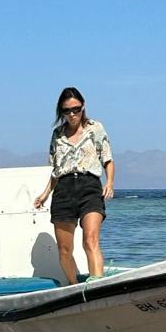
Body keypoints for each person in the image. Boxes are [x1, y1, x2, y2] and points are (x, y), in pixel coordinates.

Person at [34, 87, 115, 285]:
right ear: (61, 112)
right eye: (66, 111)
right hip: (63, 189)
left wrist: (110, 183)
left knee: (90, 240)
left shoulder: (95, 128)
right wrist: (45, 194)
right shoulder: (57, 134)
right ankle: (73, 286)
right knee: (64, 250)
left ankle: (97, 286)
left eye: (76, 109)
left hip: (89, 187)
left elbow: (108, 159)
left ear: (83, 106)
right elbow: (56, 170)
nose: (72, 114)